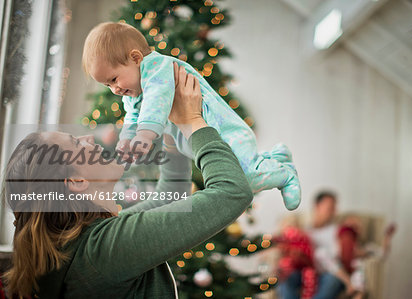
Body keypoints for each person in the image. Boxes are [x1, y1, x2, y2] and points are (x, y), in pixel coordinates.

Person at [2, 66, 254, 298]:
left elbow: (171, 196)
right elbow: (232, 192)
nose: (89, 137)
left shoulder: (89, 243)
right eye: (77, 143)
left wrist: (170, 132)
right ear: (77, 181)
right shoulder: (104, 250)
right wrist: (194, 122)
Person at [81, 22, 301, 211]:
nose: (115, 89)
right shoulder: (134, 89)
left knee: (244, 181)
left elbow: (157, 100)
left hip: (225, 134)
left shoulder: (157, 67)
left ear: (136, 58)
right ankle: (276, 158)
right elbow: (133, 114)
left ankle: (285, 174)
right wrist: (126, 140)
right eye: (107, 85)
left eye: (114, 79)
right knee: (243, 173)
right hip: (206, 141)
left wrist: (145, 136)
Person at [306, 191, 353, 299]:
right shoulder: (305, 231)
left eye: (334, 208)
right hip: (309, 272)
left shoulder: (338, 230)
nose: (334, 211)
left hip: (332, 273)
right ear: (317, 206)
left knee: (332, 280)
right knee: (287, 277)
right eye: (330, 207)